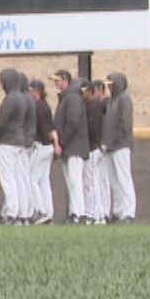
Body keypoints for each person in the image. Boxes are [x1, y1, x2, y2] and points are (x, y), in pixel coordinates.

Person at [0, 68, 35, 224]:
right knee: (19, 178)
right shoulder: (23, 98)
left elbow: (2, 121)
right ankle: (23, 212)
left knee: (7, 178)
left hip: (7, 141)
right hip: (19, 141)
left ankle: (12, 212)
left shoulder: (10, 98)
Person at [53, 70, 89, 223]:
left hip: (74, 147)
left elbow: (72, 122)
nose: (55, 83)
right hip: (70, 147)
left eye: (58, 80)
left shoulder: (72, 98)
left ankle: (79, 213)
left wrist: (62, 142)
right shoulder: (67, 97)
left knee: (75, 181)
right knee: (71, 182)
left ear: (66, 80)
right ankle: (74, 212)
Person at [103, 72, 137, 222]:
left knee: (124, 179)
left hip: (121, 145)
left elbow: (126, 124)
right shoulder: (111, 101)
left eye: (111, 84)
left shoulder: (124, 100)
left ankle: (129, 213)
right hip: (110, 147)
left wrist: (115, 140)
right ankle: (117, 212)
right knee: (114, 181)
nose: (109, 86)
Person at [29, 78, 57, 224]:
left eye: (31, 90)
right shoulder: (45, 105)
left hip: (41, 146)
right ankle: (48, 211)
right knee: (43, 180)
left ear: (37, 91)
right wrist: (56, 144)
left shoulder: (38, 106)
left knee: (31, 178)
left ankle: (41, 211)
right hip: (49, 146)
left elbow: (45, 129)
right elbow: (52, 128)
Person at [84, 79, 110, 224]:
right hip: (101, 146)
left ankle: (96, 215)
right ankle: (101, 214)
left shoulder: (97, 105)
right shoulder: (104, 105)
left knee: (94, 182)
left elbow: (93, 128)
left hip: (95, 147)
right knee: (100, 181)